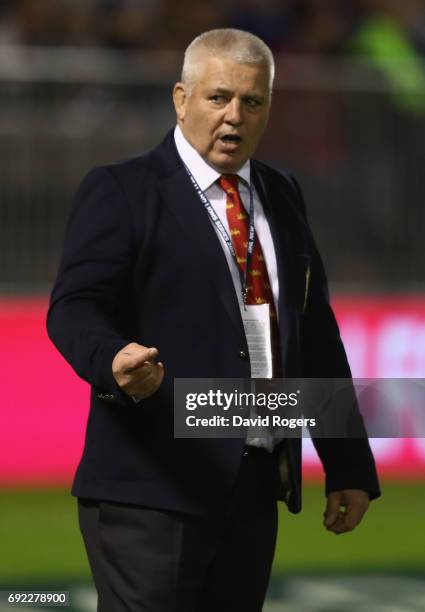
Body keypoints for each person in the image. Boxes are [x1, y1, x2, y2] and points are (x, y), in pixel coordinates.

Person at [47, 28, 380, 612]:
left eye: (252, 102)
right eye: (218, 98)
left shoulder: (282, 194)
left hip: (253, 487)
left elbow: (315, 333)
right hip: (152, 487)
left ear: (269, 108)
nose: (235, 116)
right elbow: (74, 306)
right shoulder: (123, 189)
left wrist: (347, 461)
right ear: (181, 99)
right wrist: (111, 359)